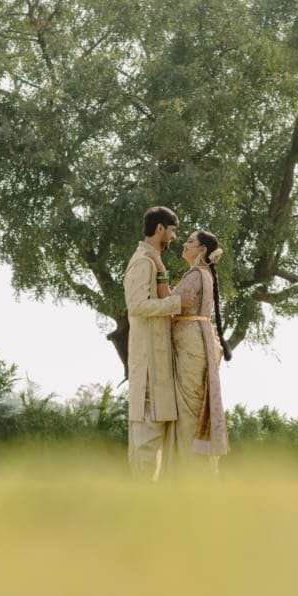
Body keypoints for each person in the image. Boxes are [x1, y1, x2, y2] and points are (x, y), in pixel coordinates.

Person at [152, 228, 231, 469]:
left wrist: (160, 272)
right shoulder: (204, 275)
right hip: (199, 342)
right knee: (193, 406)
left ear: (202, 250)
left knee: (188, 410)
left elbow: (172, 304)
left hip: (191, 345)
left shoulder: (196, 275)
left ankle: (187, 471)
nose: (184, 245)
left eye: (190, 241)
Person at [122, 206, 183, 481]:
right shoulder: (142, 262)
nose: (173, 237)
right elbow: (136, 305)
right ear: (160, 228)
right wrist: (175, 304)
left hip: (156, 361)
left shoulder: (152, 260)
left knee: (156, 430)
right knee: (146, 433)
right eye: (172, 231)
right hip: (147, 362)